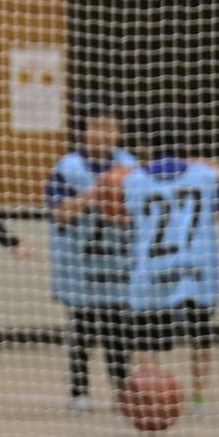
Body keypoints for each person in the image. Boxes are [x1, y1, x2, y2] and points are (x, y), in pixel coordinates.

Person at [46, 102, 139, 411]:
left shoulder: (130, 166)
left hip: (118, 261)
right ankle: (79, 392)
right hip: (80, 263)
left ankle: (122, 392)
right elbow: (59, 213)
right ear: (84, 130)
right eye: (97, 126)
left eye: (110, 127)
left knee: (119, 334)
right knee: (82, 331)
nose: (104, 134)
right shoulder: (67, 167)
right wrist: (96, 194)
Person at [123, 145, 219, 415]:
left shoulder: (132, 180)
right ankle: (198, 399)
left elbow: (123, 216)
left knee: (145, 340)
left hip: (151, 268)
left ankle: (147, 395)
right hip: (196, 267)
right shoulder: (205, 176)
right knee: (200, 337)